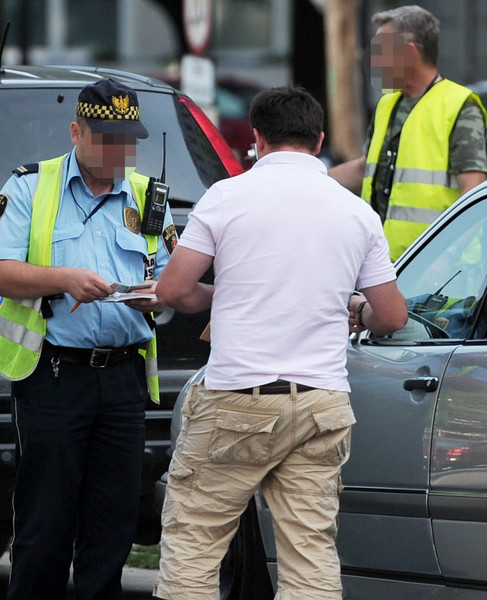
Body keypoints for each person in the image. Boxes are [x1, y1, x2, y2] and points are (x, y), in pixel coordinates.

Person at [153, 86, 408, 600]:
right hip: (321, 404)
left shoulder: (227, 197)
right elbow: (392, 314)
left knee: (195, 545)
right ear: (318, 141)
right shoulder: (356, 212)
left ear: (256, 140)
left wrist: (228, 290)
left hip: (236, 401)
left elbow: (174, 290)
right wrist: (354, 308)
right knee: (310, 555)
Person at [0, 77, 176, 600]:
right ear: (76, 132)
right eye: (108, 139)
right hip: (55, 376)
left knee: (112, 525)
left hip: (125, 379)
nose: (119, 152)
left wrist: (158, 294)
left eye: (128, 140)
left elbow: (172, 278)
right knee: (46, 521)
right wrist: (63, 279)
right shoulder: (29, 186)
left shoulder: (148, 195)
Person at [328, 5, 487, 262]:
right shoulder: (387, 103)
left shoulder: (459, 105)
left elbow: (473, 191)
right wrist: (303, 179)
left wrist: (447, 256)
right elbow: (365, 168)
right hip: (386, 266)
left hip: (439, 275)